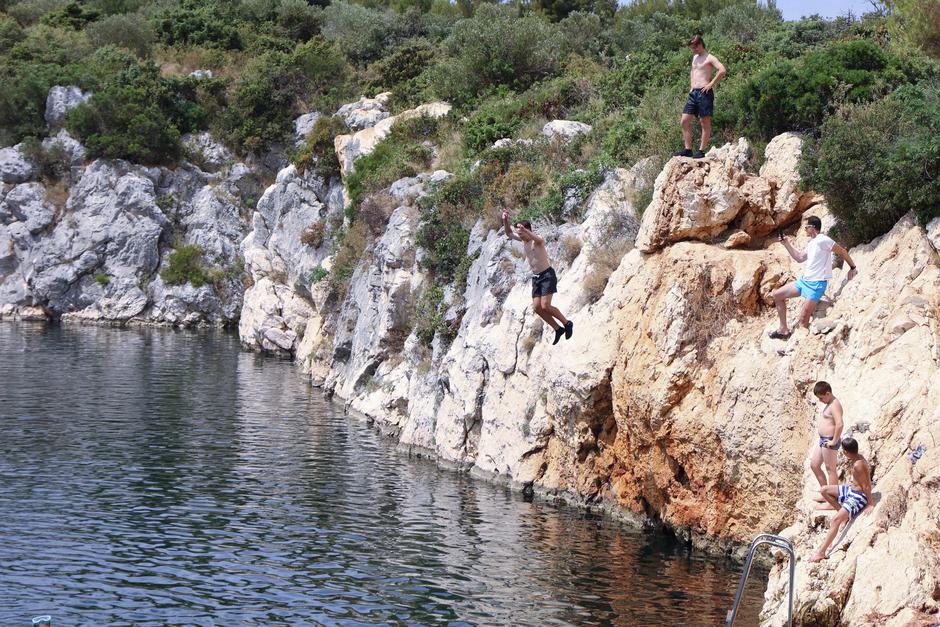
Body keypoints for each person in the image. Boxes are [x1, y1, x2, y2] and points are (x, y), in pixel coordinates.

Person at [769, 216, 857, 340]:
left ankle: (795, 349)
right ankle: (783, 330)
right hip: (804, 281)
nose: (805, 230)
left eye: (806, 227)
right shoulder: (812, 243)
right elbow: (799, 258)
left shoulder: (823, 240)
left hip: (816, 285)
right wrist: (786, 244)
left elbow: (842, 251)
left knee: (803, 322)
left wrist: (852, 267)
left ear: (813, 227)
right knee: (777, 295)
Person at [502, 209, 573, 345]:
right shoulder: (524, 241)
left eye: (521, 232)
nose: (519, 236)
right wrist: (505, 220)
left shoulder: (537, 241)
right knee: (537, 308)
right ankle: (558, 329)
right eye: (519, 234)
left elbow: (538, 238)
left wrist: (525, 231)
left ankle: (567, 323)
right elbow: (509, 233)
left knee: (545, 305)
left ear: (527, 230)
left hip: (547, 275)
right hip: (536, 278)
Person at [808, 437, 874, 562]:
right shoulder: (856, 457)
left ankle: (821, 552)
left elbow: (866, 485)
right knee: (824, 490)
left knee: (835, 520)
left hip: (858, 497)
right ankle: (841, 511)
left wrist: (870, 503)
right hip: (851, 490)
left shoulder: (858, 464)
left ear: (846, 452)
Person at [675, 35, 726, 159]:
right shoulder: (694, 58)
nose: (693, 50)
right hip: (693, 93)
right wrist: (691, 86)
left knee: (704, 122)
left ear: (700, 44)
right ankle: (688, 150)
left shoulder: (710, 58)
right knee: (684, 121)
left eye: (695, 47)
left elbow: (722, 70)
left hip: (705, 93)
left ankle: (701, 151)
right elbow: (693, 71)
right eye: (692, 48)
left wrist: (711, 84)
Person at [809, 381, 844, 499]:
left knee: (831, 469)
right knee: (814, 465)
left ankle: (833, 498)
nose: (820, 400)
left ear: (828, 393)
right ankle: (826, 494)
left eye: (821, 398)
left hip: (829, 441)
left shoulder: (835, 404)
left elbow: (839, 424)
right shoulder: (829, 403)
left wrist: (834, 441)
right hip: (823, 440)